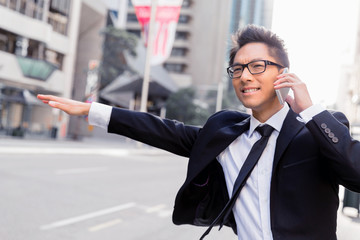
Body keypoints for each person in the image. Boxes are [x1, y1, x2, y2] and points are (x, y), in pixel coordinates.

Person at [37, 25, 360, 240]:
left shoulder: (318, 130)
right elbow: (163, 130)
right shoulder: (227, 134)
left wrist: (310, 110)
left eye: (258, 66)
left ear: (283, 75)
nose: (245, 75)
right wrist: (91, 110)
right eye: (238, 68)